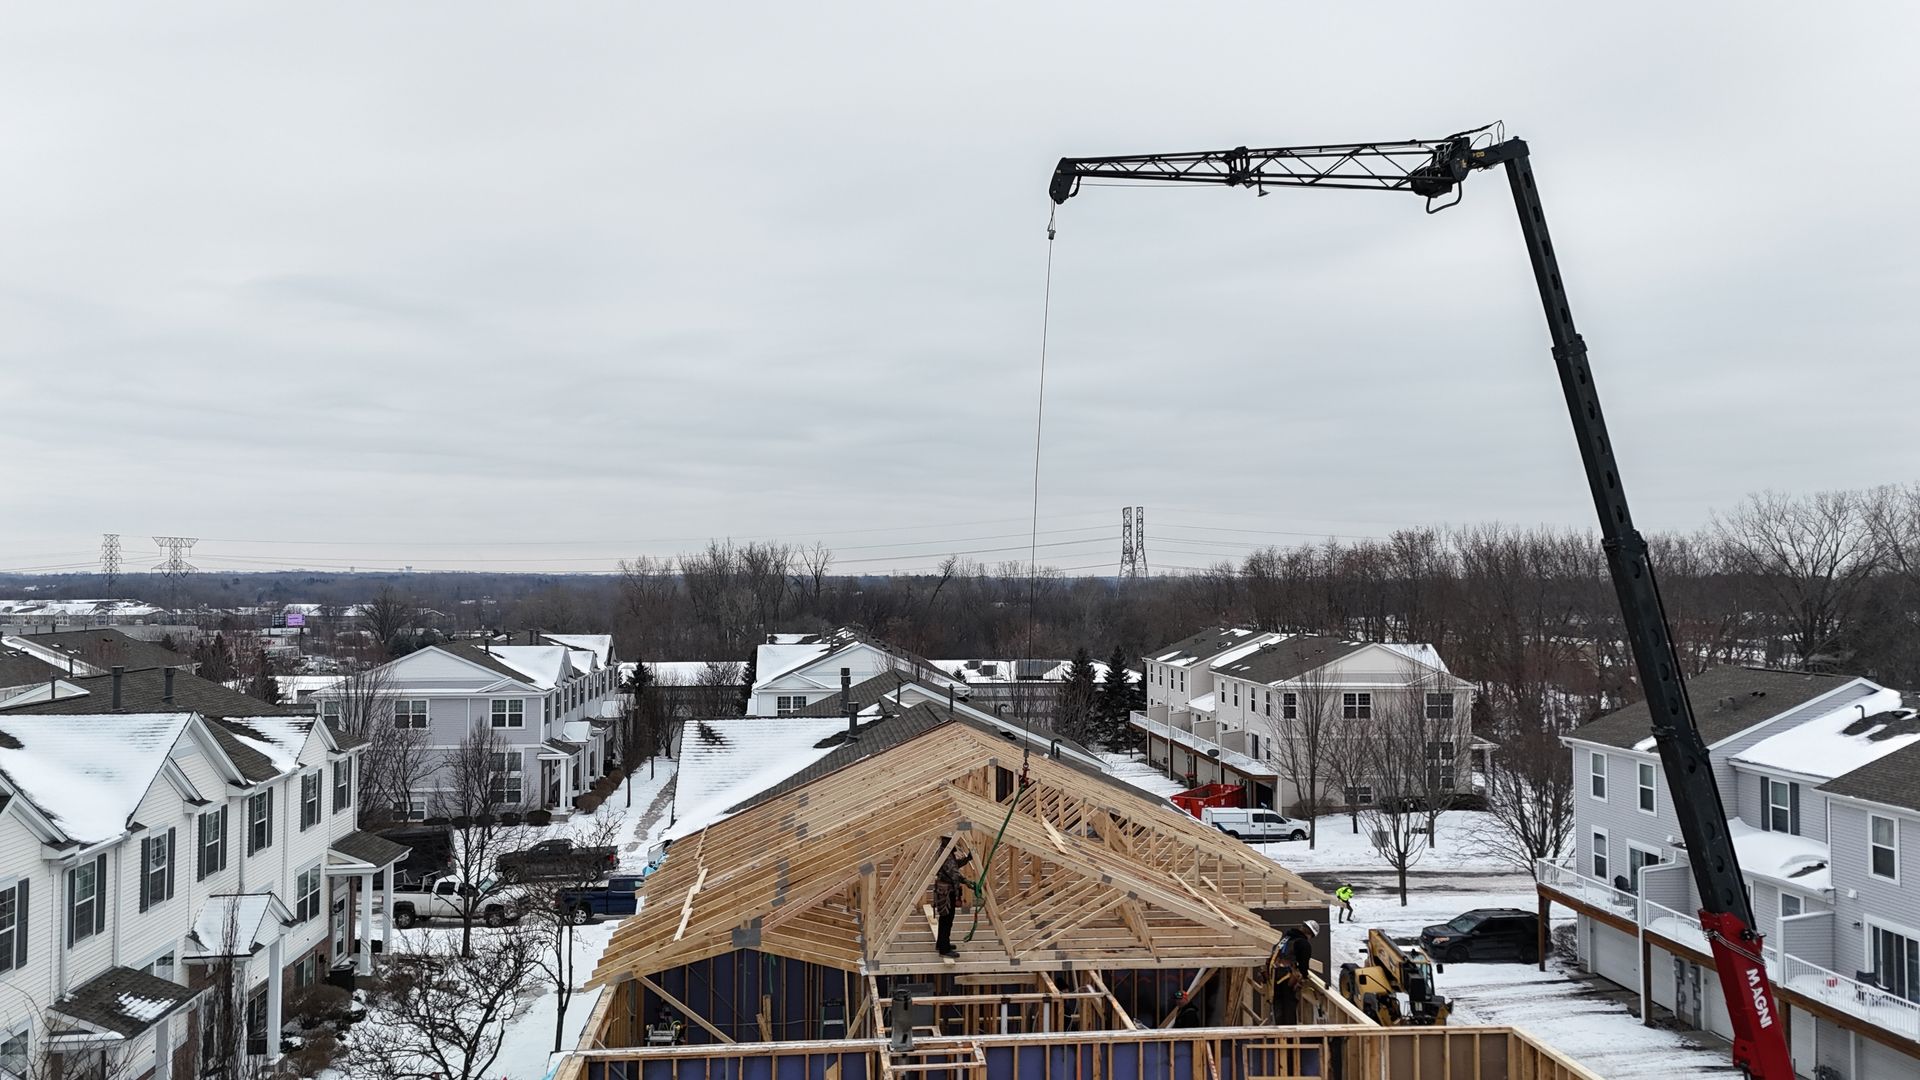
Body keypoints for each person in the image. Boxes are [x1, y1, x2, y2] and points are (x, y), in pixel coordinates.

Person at [932, 845, 974, 957]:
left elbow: (954, 866)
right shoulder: (945, 852)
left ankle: (942, 943)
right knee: (947, 919)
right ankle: (944, 949)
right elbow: (953, 872)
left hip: (945, 890)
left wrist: (967, 859)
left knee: (945, 918)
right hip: (946, 891)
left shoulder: (946, 851)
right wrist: (966, 881)